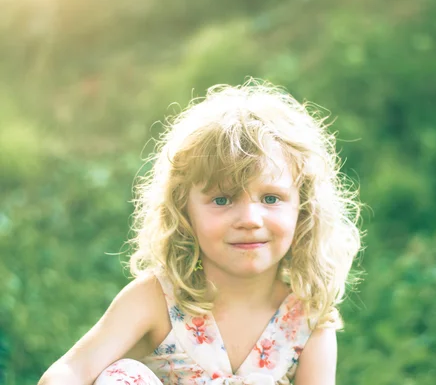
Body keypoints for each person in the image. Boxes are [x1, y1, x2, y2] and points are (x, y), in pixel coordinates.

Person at [38, 80, 363, 385]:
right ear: (184, 211)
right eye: (222, 199)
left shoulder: (306, 320)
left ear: (303, 208)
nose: (250, 218)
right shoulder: (156, 298)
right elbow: (68, 371)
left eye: (271, 198)